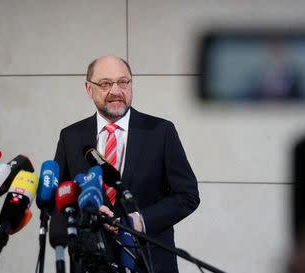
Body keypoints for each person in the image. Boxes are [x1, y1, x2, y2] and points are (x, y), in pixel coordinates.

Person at [53, 55, 200, 273]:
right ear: (88, 89)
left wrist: (138, 221)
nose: (115, 91)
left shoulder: (161, 132)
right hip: (90, 263)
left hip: (149, 263)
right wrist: (87, 213)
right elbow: (60, 195)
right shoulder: (71, 136)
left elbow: (187, 196)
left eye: (123, 82)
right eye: (105, 83)